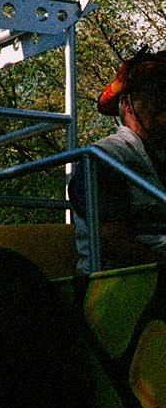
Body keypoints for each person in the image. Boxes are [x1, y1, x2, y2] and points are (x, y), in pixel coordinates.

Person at [68, 48, 166, 273]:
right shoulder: (105, 158)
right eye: (158, 94)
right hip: (115, 286)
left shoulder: (160, 155)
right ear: (127, 103)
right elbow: (115, 243)